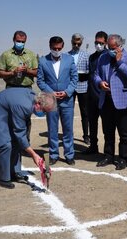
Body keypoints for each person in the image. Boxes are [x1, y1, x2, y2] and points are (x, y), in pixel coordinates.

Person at [0, 89, 56, 189]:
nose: (44, 114)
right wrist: (34, 155)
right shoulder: (23, 106)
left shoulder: (34, 98)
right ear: (39, 103)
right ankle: (2, 177)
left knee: (16, 142)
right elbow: (20, 133)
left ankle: (14, 172)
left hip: (4, 114)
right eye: (44, 111)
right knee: (6, 144)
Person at [94, 34, 127, 170]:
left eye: (113, 48)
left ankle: (123, 158)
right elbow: (95, 74)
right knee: (108, 130)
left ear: (120, 46)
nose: (110, 50)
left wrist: (119, 62)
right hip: (106, 99)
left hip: (122, 101)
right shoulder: (103, 57)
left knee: (123, 133)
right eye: (109, 47)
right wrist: (100, 82)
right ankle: (108, 155)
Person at [37, 36, 78, 166]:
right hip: (50, 100)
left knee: (68, 129)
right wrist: (51, 93)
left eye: (59, 48)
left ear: (63, 46)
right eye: (54, 48)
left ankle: (69, 154)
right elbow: (40, 81)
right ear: (50, 46)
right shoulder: (43, 61)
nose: (57, 50)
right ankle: (54, 154)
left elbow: (74, 78)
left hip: (67, 100)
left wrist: (67, 92)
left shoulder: (69, 59)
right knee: (52, 128)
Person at [83, 31, 108, 155]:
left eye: (101, 43)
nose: (98, 45)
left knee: (106, 125)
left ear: (106, 43)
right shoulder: (92, 57)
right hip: (91, 95)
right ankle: (93, 146)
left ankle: (108, 151)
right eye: (96, 42)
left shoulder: (109, 55)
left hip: (104, 96)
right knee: (92, 123)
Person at [68, 33, 90, 145]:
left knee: (85, 112)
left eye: (78, 43)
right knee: (69, 112)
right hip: (70, 87)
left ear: (81, 43)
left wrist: (84, 76)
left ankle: (86, 135)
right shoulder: (66, 55)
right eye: (74, 43)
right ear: (71, 42)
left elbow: (89, 71)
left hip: (83, 87)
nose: (76, 45)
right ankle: (69, 134)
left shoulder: (86, 55)